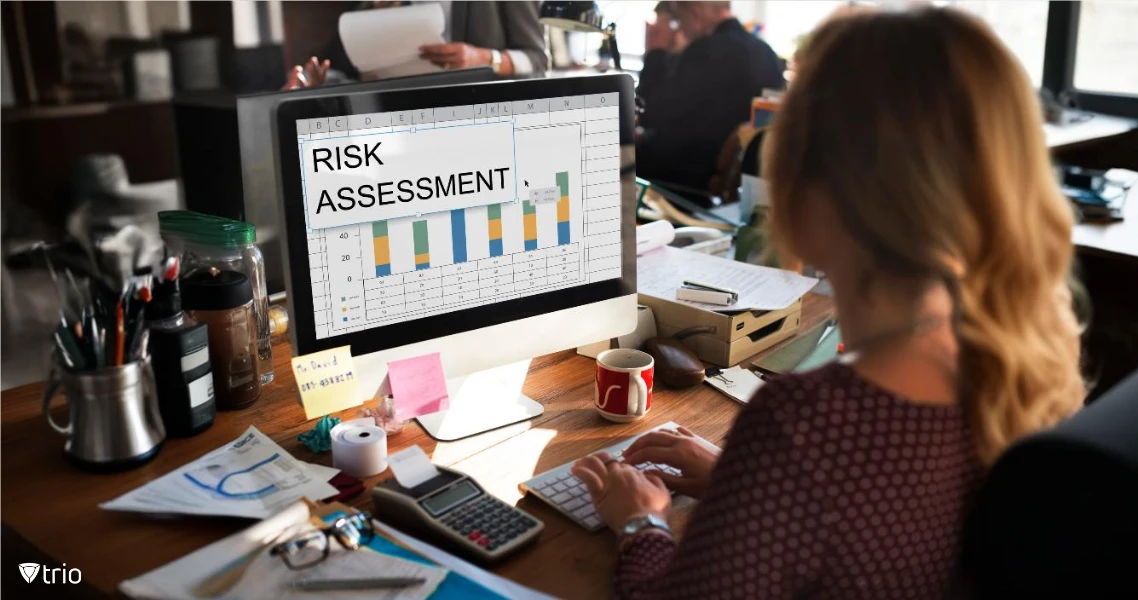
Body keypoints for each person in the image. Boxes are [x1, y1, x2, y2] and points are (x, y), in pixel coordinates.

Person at [573, 6, 1086, 599]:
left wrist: (640, 521)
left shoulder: (805, 428)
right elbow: (880, 524)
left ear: (813, 192)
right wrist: (753, 492)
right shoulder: (1028, 363)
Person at [636, 1, 783, 192]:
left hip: (689, 185)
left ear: (695, 14)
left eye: (680, 19)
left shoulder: (707, 50)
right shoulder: (767, 53)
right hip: (746, 188)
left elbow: (649, 111)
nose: (680, 28)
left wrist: (656, 50)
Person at [284, 1, 547, 89]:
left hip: (485, 120)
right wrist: (320, 82)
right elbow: (348, 68)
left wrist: (483, 58)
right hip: (408, 126)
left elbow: (537, 60)